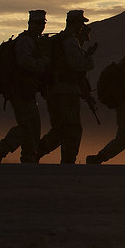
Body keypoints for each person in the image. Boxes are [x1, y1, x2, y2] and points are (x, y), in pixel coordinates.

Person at [0, 10, 50, 163]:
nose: (40, 26)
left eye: (42, 23)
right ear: (30, 24)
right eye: (37, 23)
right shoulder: (26, 41)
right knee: (28, 125)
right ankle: (0, 151)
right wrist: (42, 64)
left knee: (32, 126)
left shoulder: (32, 40)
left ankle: (28, 156)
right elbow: (24, 61)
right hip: (20, 90)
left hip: (25, 89)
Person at [37, 9, 95, 163]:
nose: (81, 27)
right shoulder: (70, 41)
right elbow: (77, 65)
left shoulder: (57, 40)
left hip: (53, 90)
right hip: (67, 90)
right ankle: (68, 161)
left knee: (60, 128)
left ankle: (36, 151)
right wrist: (89, 61)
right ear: (75, 23)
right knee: (73, 128)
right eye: (80, 23)